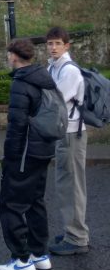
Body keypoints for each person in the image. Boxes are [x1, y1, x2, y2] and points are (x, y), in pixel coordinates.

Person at [0, 38, 59, 270]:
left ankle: (21, 259)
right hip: (44, 148)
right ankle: (39, 253)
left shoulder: (21, 84)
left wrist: (9, 159)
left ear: (13, 56)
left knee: (10, 204)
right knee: (35, 201)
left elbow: (16, 127)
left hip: (23, 153)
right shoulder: (43, 78)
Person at [46, 27, 89, 255]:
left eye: (57, 43)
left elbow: (54, 101)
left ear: (66, 46)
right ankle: (72, 230)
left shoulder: (68, 71)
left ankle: (77, 238)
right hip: (65, 133)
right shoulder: (54, 67)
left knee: (71, 186)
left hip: (72, 134)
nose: (53, 47)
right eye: (50, 43)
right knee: (65, 184)